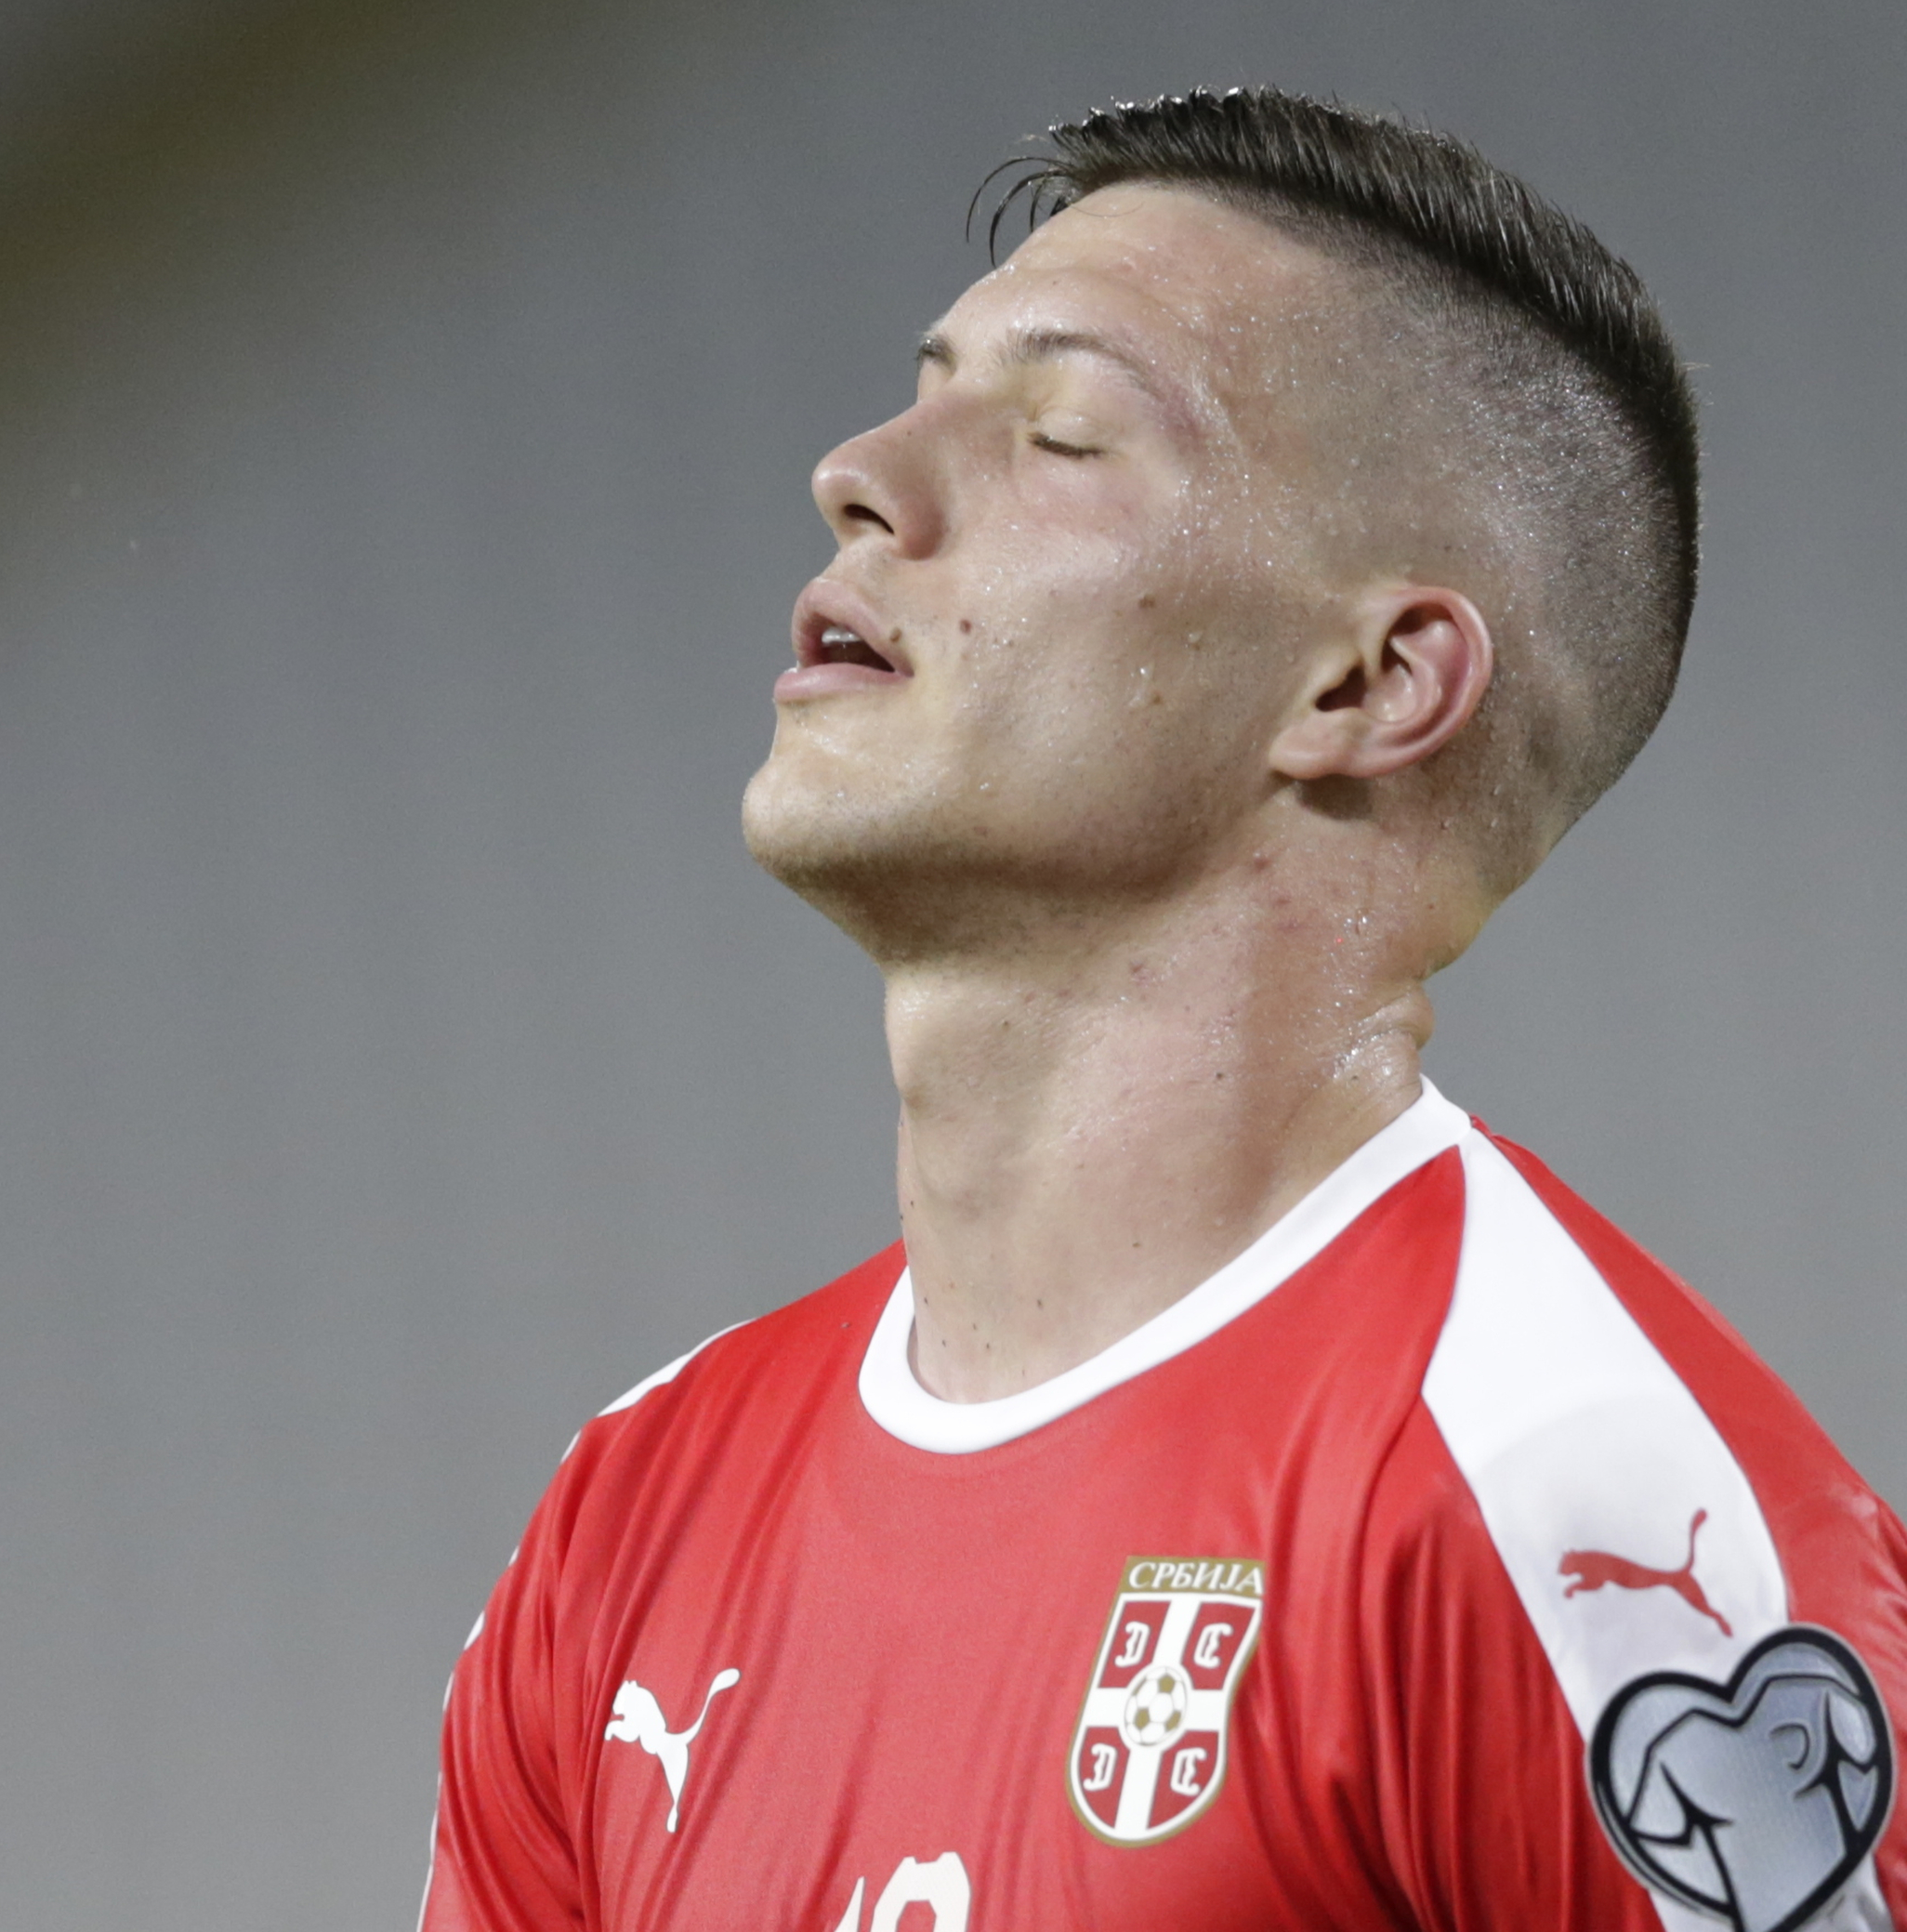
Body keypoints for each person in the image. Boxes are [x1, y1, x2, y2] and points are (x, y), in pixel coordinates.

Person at [418, 88, 1907, 1932]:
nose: (860, 468)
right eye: (925, 384)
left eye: (1059, 431)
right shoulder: (629, 1523)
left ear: (1367, 684)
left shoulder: (1575, 1510)